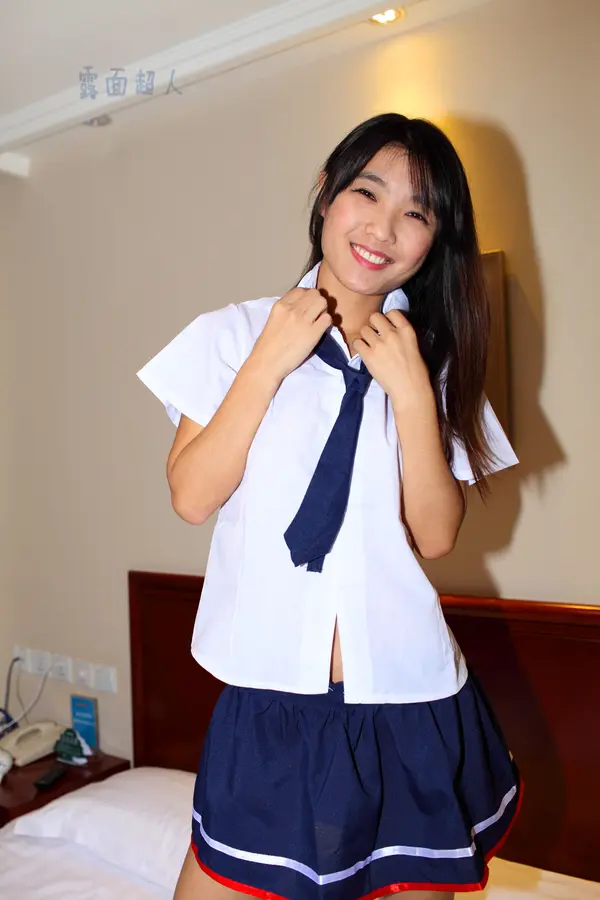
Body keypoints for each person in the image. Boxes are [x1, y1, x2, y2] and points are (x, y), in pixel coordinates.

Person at [136, 113, 522, 900]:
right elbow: (192, 495)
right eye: (367, 193)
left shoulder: (435, 361)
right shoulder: (232, 333)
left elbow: (436, 535)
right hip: (270, 701)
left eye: (416, 212)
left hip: (408, 699)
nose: (383, 228)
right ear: (325, 195)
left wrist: (412, 393)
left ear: (434, 240)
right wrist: (268, 361)